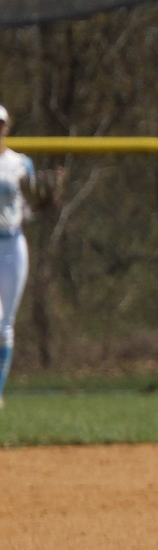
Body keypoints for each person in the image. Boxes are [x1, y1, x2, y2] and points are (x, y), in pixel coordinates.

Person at [0, 104, 40, 410]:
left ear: (7, 128)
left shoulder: (21, 164)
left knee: (5, 325)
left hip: (14, 246)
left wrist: (41, 204)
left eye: (1, 125)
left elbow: (28, 210)